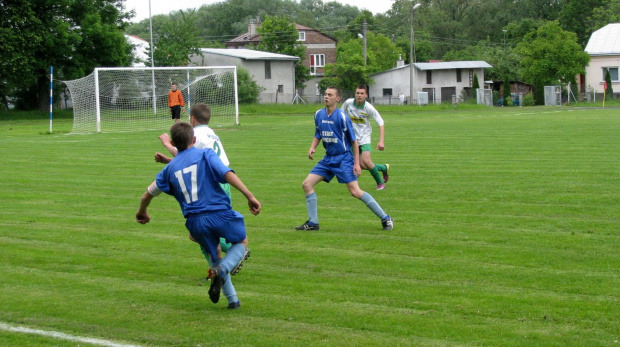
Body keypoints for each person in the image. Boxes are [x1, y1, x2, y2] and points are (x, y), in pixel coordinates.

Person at [136, 122, 261, 309]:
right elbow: (227, 174)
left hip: (195, 222)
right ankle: (222, 269)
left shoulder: (168, 170)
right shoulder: (206, 154)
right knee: (242, 243)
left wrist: (142, 211)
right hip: (219, 213)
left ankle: (232, 300)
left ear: (173, 143)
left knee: (215, 253)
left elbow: (147, 194)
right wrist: (249, 196)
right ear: (193, 139)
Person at [295, 86, 393, 232]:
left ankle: (386, 218)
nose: (326, 97)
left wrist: (357, 164)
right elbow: (318, 133)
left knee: (355, 192)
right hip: (328, 159)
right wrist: (312, 147)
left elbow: (353, 141)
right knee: (307, 184)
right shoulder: (318, 114)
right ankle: (313, 223)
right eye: (325, 94)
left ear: (337, 99)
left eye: (330, 95)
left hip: (344, 159)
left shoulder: (342, 117)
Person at [155, 103, 233, 262]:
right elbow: (193, 160)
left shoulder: (196, 133)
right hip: (223, 181)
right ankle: (221, 265)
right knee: (208, 229)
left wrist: (167, 144)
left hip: (209, 184)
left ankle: (233, 252)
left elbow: (184, 154)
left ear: (192, 118)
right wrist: (168, 161)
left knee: (200, 231)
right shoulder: (211, 133)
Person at [341, 85, 390, 190]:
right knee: (360, 165)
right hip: (352, 139)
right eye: (357, 93)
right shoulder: (348, 103)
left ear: (366, 95)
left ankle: (380, 183)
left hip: (365, 137)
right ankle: (383, 167)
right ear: (355, 94)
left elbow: (380, 122)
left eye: (362, 93)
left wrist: (381, 141)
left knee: (366, 161)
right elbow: (341, 116)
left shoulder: (368, 107)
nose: (359, 95)